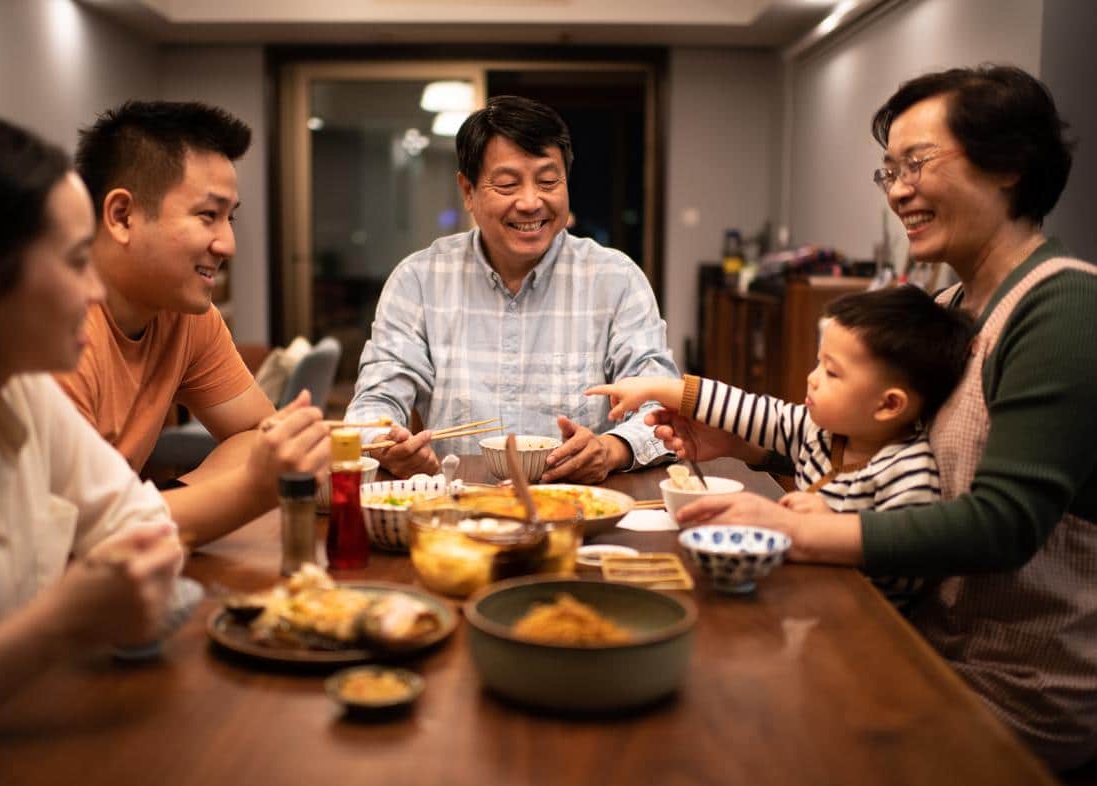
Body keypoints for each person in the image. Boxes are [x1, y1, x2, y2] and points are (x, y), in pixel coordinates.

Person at [654, 65, 1097, 770]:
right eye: (887, 170)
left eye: (916, 163)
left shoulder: (1065, 308)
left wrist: (798, 529)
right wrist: (745, 445)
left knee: (742, 732)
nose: (897, 190)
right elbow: (883, 451)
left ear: (1010, 164)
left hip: (1013, 688)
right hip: (919, 641)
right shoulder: (950, 313)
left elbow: (1004, 524)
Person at [0, 113, 184, 755]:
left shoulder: (19, 390)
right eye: (74, 262)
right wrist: (58, 626)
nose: (94, 288)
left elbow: (145, 526)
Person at [344, 95, 679, 482]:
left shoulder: (616, 279)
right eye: (507, 184)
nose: (530, 202)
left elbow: (661, 407)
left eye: (548, 180)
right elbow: (373, 402)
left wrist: (611, 449)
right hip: (458, 513)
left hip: (579, 509)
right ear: (467, 191)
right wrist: (386, 444)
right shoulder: (418, 280)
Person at [589, 285, 974, 608]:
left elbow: (904, 576)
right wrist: (657, 389)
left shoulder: (910, 471)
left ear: (889, 404)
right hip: (802, 598)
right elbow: (748, 408)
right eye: (818, 363)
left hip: (862, 623)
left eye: (832, 372)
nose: (812, 379)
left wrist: (831, 527)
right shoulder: (817, 430)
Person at [55, 101, 330, 547]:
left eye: (230, 217)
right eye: (208, 215)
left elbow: (257, 435)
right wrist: (246, 491)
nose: (228, 244)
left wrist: (167, 508)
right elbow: (72, 536)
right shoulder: (54, 334)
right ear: (123, 216)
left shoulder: (187, 314)